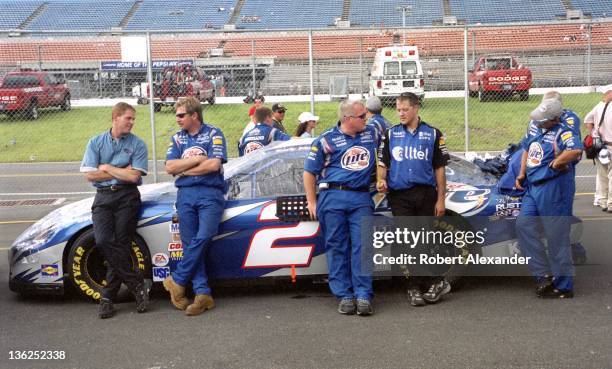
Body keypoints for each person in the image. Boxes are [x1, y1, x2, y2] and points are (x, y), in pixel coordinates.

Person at [304, 99, 380, 316]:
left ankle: (364, 295)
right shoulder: (325, 140)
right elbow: (309, 172)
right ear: (348, 119)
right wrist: (312, 201)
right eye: (362, 116)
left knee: (363, 246)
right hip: (332, 196)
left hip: (361, 197)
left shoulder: (371, 133)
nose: (367, 118)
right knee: (337, 247)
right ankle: (344, 295)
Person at [376, 92, 451, 307]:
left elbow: (440, 169)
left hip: (426, 194)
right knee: (408, 241)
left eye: (405, 109)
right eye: (398, 110)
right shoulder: (390, 134)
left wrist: (441, 199)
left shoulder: (433, 134)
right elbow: (383, 162)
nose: (400, 113)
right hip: (400, 196)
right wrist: (381, 180)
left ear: (416, 108)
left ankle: (435, 282)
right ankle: (414, 286)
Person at [80, 102, 151, 319]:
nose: (132, 122)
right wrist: (121, 171)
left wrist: (108, 168)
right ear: (115, 117)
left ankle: (107, 298)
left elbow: (134, 176)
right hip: (103, 198)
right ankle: (138, 284)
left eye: (133, 119)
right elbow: (90, 175)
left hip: (127, 197)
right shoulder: (96, 142)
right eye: (128, 118)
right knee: (103, 241)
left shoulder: (138, 144)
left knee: (120, 243)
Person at [163, 96, 227, 316]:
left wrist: (184, 169)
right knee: (190, 243)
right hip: (186, 195)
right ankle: (202, 294)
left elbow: (213, 164)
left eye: (181, 115)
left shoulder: (214, 133)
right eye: (177, 115)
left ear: (194, 115)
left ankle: (178, 279)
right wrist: (197, 160)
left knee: (205, 236)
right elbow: (170, 166)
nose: (177, 119)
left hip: (210, 193)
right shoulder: (177, 138)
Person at [515, 98, 582, 298]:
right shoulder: (535, 126)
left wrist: (556, 163)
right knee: (523, 225)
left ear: (554, 119)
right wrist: (522, 172)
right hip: (532, 187)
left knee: (556, 236)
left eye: (543, 119)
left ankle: (563, 286)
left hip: (553, 188)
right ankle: (542, 274)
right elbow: (527, 148)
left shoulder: (564, 131)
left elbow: (576, 150)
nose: (539, 121)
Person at [584, 84, 612, 211]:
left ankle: (602, 201)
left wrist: (594, 134)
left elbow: (587, 121)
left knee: (602, 174)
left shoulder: (599, 107)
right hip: (610, 145)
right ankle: (611, 203)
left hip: (600, 146)